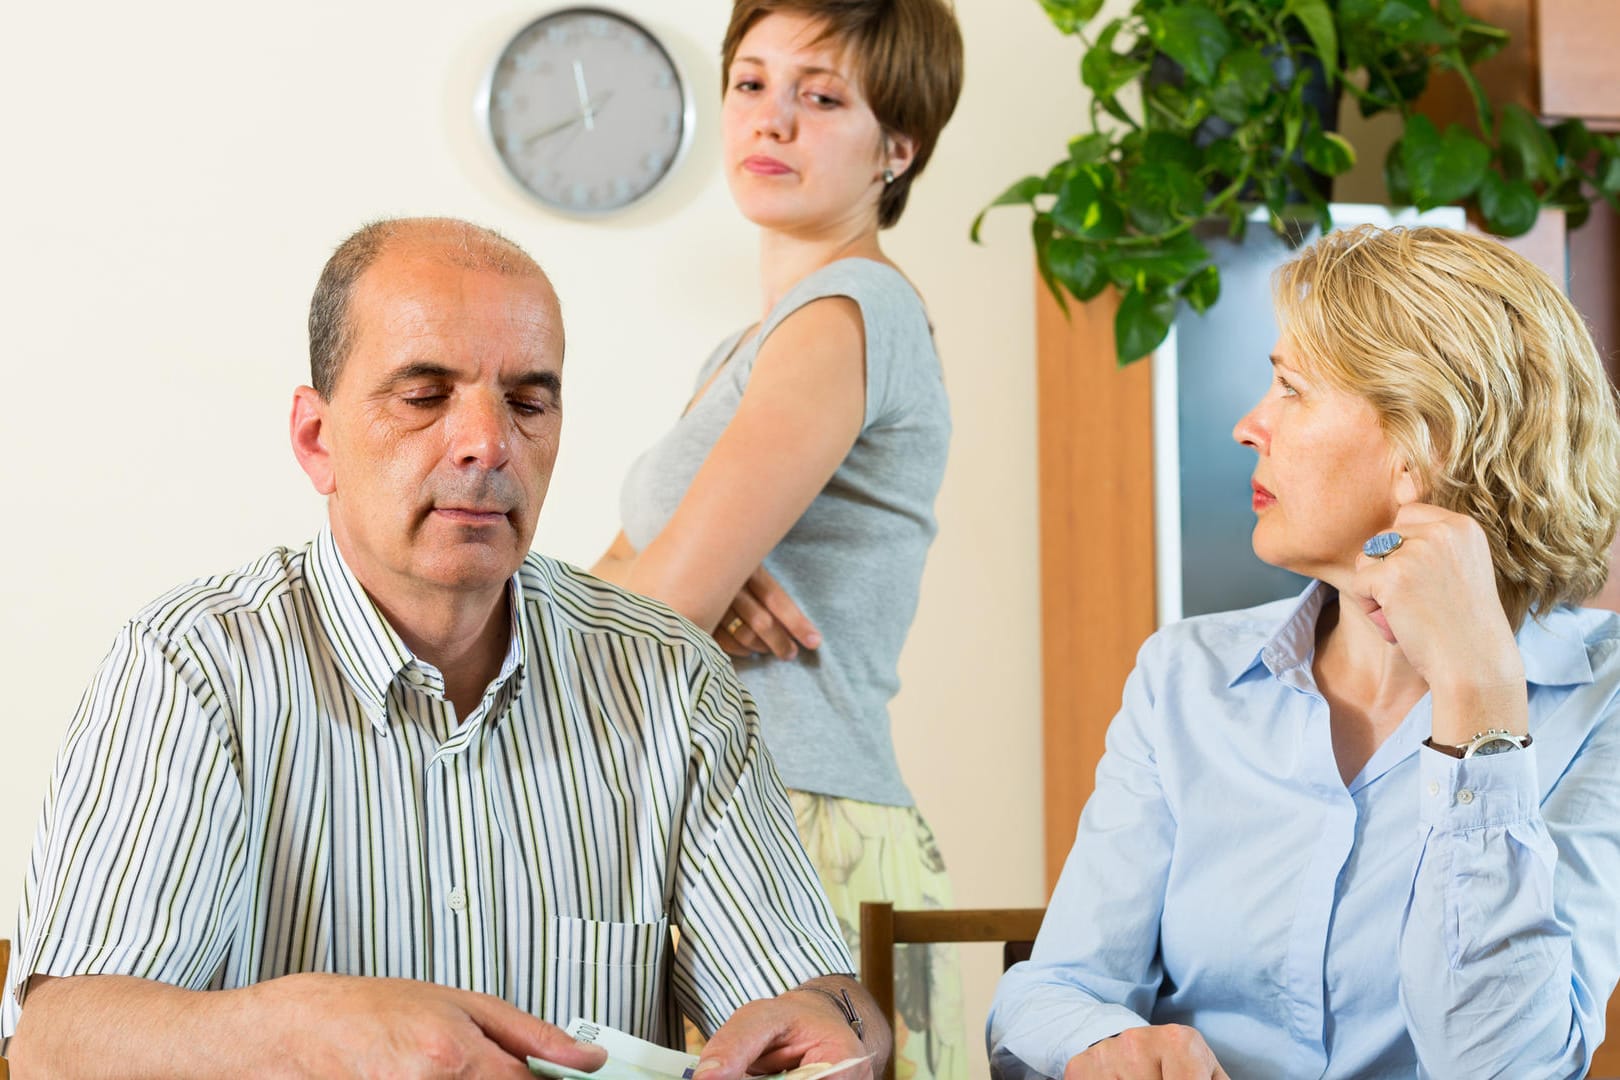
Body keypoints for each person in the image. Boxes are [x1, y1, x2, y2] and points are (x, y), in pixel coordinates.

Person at [0, 217, 890, 1080]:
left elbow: (825, 998)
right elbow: (57, 1044)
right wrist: (297, 1035)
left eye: (528, 401)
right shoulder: (190, 670)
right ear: (317, 439)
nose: (488, 443)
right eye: (425, 396)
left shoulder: (671, 680)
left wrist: (832, 1022)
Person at [988, 225, 1620, 1079]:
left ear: (1425, 442)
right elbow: (1048, 990)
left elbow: (1509, 1066)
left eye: (1292, 389)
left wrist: (1478, 698)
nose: (1251, 425)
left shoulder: (1605, 701)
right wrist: (1104, 1043)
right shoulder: (1187, 678)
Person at [589, 2, 964, 1076]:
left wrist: (676, 590)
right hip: (721, 821)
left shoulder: (850, 310)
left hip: (800, 830)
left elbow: (643, 618)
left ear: (900, 146)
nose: (773, 120)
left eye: (822, 94)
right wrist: (678, 584)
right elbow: (613, 592)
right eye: (751, 83)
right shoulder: (746, 347)